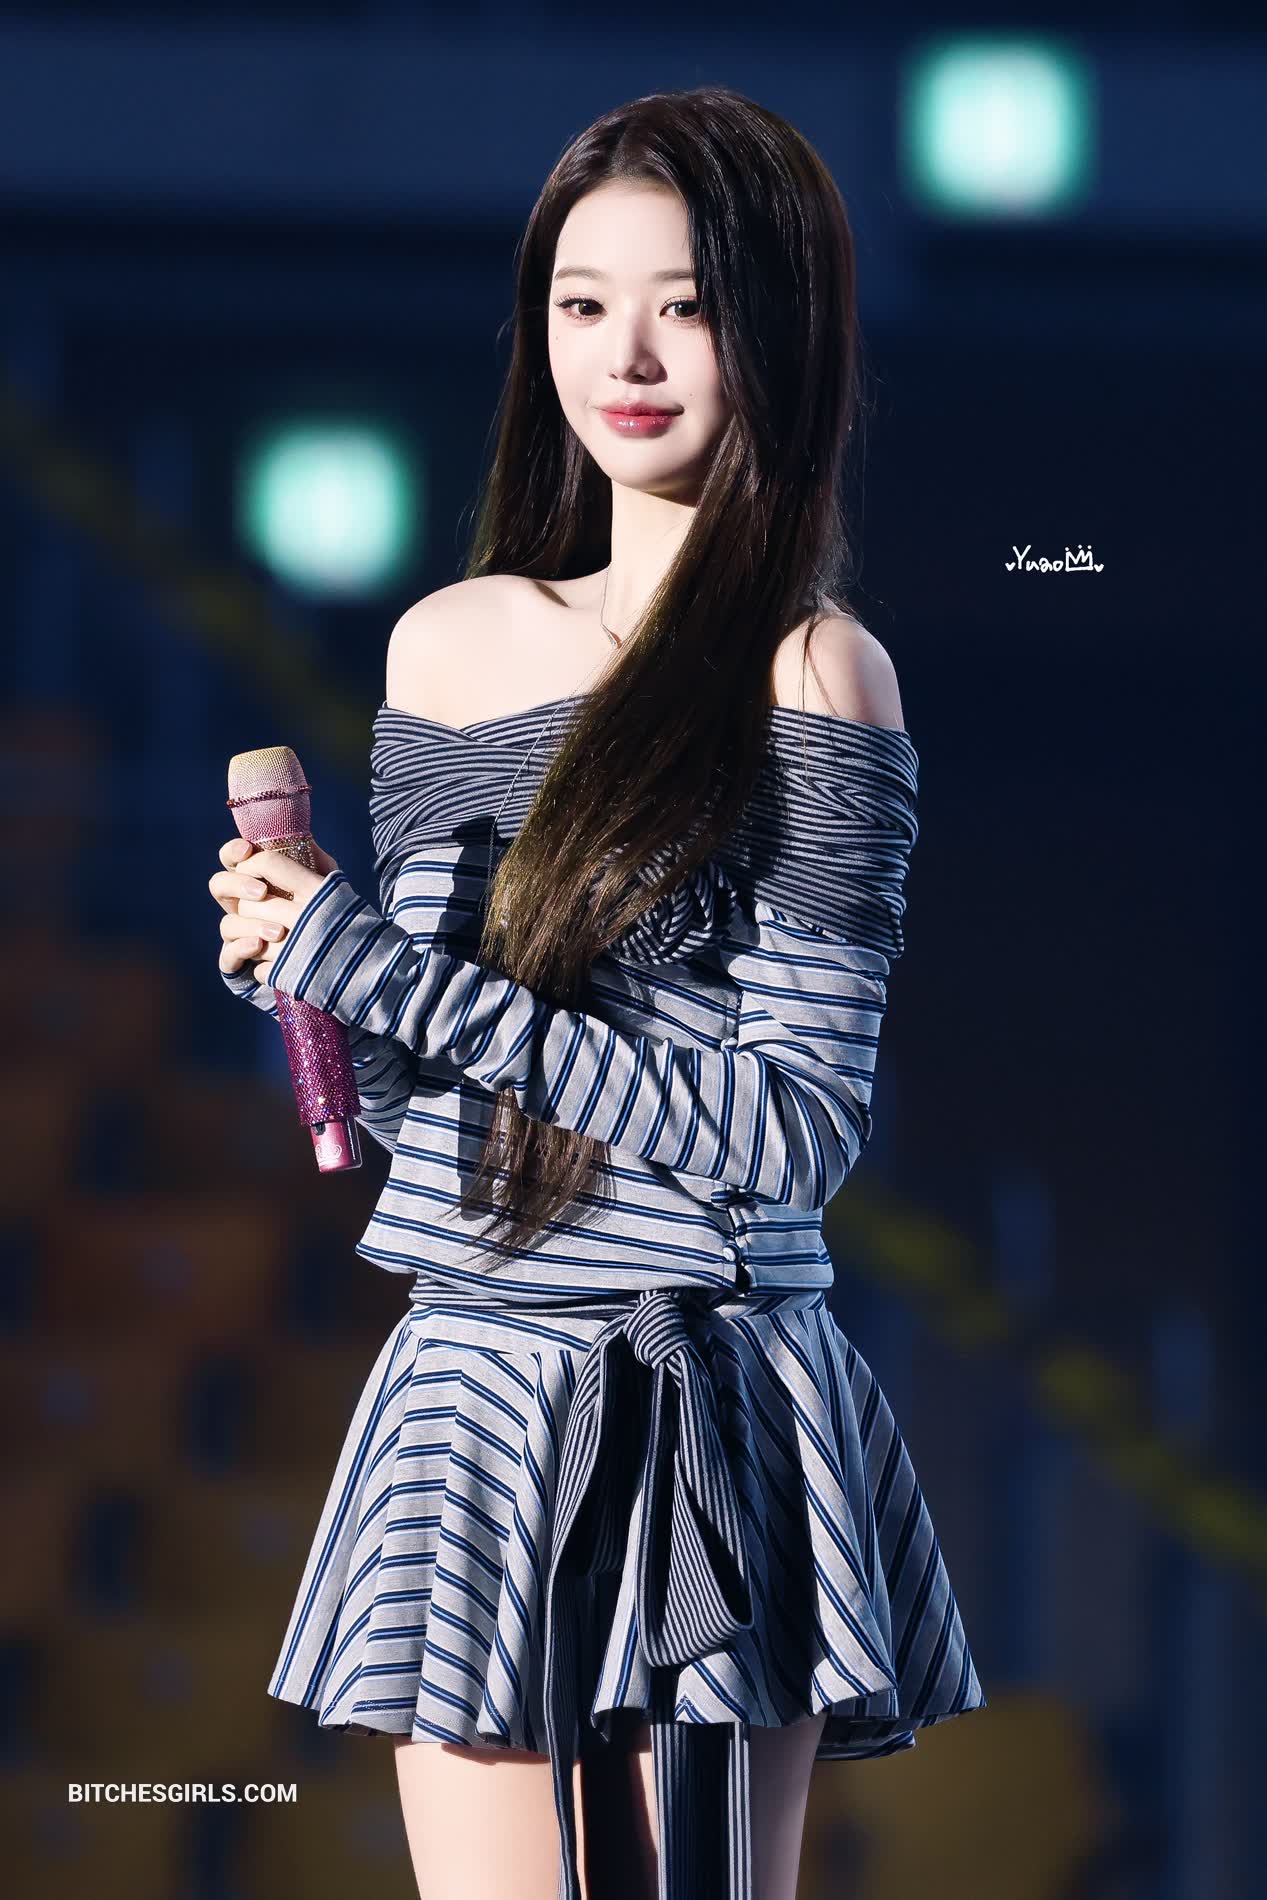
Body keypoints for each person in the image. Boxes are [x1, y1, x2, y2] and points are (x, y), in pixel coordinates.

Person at [210, 84, 986, 1900]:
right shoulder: (447, 643)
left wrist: (380, 973)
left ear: (777, 331)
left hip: (705, 1394)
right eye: (581, 303)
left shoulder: (816, 672)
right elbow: (420, 1120)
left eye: (684, 305)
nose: (623, 356)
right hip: (473, 1385)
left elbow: (791, 1137)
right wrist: (306, 982)